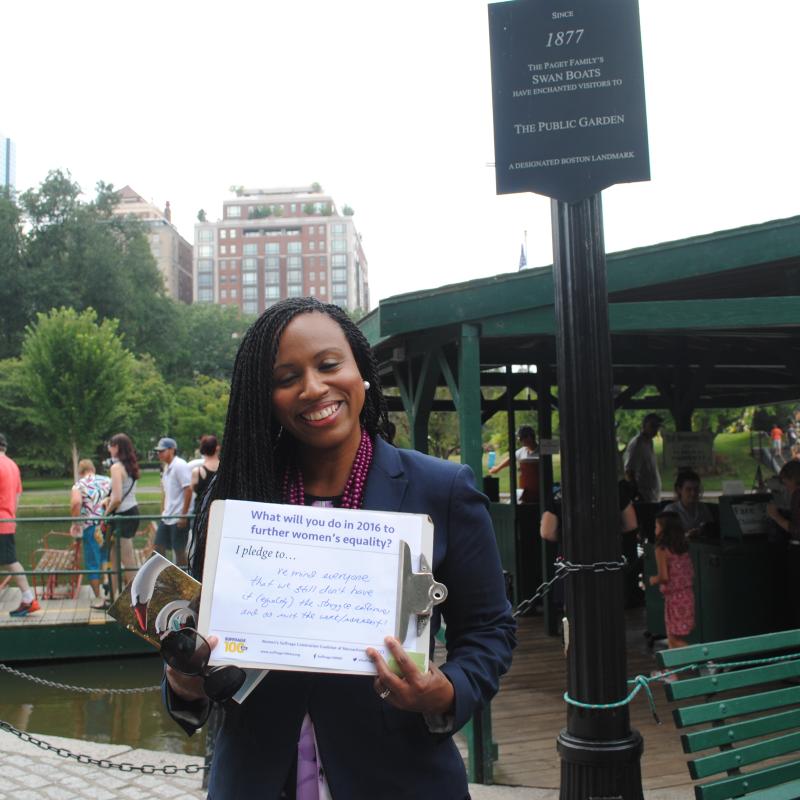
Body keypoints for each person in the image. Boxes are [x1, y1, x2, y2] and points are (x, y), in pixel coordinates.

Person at [164, 297, 516, 799]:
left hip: (399, 781)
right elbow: (202, 649)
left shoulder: (441, 491)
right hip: (257, 782)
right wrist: (185, 678)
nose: (313, 388)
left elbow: (489, 631)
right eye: (286, 378)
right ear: (265, 397)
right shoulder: (236, 499)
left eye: (329, 365)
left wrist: (444, 690)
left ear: (361, 371)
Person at [0, 433, 39, 617]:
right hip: (7, 519)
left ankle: (28, 598)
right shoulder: (13, 465)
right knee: (9, 560)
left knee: (11, 561)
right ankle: (28, 598)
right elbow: (17, 495)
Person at [649, 511, 695, 652]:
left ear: (664, 529)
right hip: (687, 595)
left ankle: (705, 660)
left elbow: (664, 576)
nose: (655, 529)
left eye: (656, 526)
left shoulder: (661, 549)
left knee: (674, 640)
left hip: (674, 598)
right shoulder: (682, 546)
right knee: (672, 638)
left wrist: (652, 580)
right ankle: (671, 673)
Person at [69, 459, 111, 609]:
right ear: (93, 468)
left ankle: (99, 598)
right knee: (106, 556)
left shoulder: (79, 485)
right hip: (108, 526)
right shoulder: (107, 480)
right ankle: (107, 581)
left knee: (93, 562)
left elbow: (76, 503)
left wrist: (75, 523)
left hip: (91, 527)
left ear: (80, 472)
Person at [106, 433, 141, 595]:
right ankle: (113, 596)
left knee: (126, 558)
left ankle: (136, 599)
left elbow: (117, 498)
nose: (108, 448)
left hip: (123, 515)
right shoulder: (129, 466)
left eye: (110, 445)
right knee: (115, 557)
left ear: (116, 447)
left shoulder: (116, 467)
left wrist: (106, 513)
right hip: (132, 511)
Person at [767, 460, 800, 625]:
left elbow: (796, 530)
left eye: (785, 481)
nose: (785, 485)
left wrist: (775, 516)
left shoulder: (797, 495)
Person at [154, 437, 193, 568]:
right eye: (158, 451)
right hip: (168, 516)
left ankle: (185, 580)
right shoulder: (167, 467)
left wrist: (183, 515)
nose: (159, 453)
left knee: (179, 551)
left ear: (172, 450)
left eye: (162, 451)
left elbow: (188, 489)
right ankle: (164, 575)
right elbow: (166, 492)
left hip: (177, 517)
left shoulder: (180, 465)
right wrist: (163, 512)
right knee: (158, 546)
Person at [489, 425, 539, 502]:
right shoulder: (523, 450)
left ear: (529, 437)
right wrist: (497, 468)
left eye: (521, 438)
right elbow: (511, 459)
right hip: (525, 490)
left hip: (538, 489)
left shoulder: (542, 451)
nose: (520, 441)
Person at [624, 413, 664, 503]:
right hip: (644, 499)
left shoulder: (649, 442)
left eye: (657, 427)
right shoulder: (637, 444)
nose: (655, 430)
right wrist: (637, 495)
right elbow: (629, 472)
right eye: (652, 426)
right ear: (644, 425)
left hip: (652, 497)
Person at [662, 468, 713, 537]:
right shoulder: (671, 510)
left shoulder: (703, 509)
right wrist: (687, 535)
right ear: (679, 490)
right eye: (688, 489)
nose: (693, 493)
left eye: (696, 489)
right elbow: (665, 537)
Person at [190, 435, 219, 517]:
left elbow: (190, 491)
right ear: (217, 448)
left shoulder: (196, 472)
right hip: (218, 512)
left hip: (200, 514)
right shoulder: (225, 470)